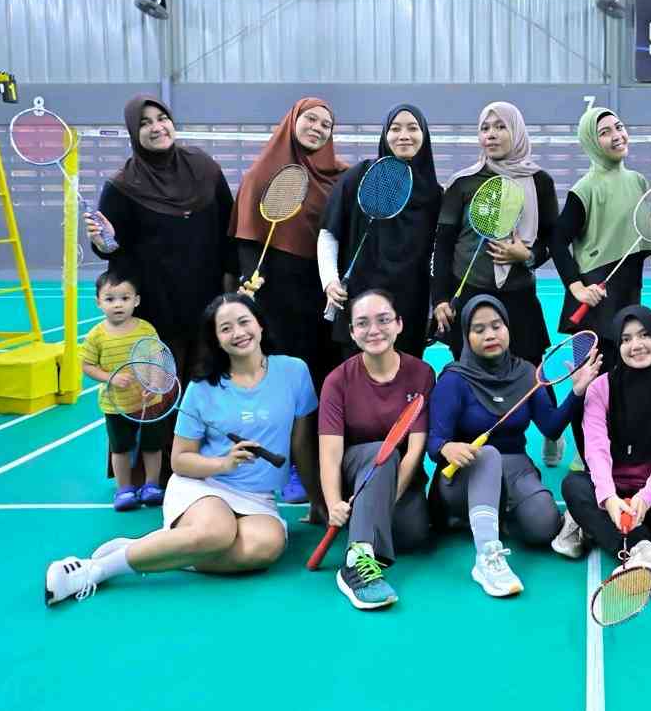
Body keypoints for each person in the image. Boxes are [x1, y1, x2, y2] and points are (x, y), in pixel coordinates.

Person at [44, 294, 319, 606]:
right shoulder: (203, 388)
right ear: (216, 340)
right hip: (205, 483)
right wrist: (224, 464)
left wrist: (318, 500)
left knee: (265, 548)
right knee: (217, 533)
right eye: (225, 328)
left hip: (258, 496)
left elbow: (301, 444)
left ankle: (160, 549)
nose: (238, 332)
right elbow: (180, 460)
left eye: (244, 322)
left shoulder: (294, 372)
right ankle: (96, 570)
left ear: (259, 324)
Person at [87, 95, 237, 481]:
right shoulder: (122, 186)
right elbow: (111, 248)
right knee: (156, 393)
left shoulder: (205, 169)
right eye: (145, 123)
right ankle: (156, 475)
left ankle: (208, 462)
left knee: (208, 385)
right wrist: (104, 242)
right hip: (155, 309)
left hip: (207, 303)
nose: (157, 127)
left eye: (162, 118)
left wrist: (231, 288)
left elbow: (229, 229)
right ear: (133, 132)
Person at [426, 296, 600, 598]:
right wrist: (447, 447)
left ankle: (495, 517)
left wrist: (576, 392)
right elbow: (434, 440)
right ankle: (487, 557)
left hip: (514, 468)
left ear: (508, 328)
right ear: (466, 336)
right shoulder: (454, 380)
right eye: (479, 329)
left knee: (544, 527)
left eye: (497, 326)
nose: (490, 335)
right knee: (488, 455)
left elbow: (551, 427)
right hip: (463, 476)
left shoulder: (527, 373)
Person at [231, 97, 347, 507]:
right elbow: (246, 238)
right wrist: (250, 279)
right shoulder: (262, 173)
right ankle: (292, 464)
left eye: (326, 124)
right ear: (292, 121)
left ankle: (322, 462)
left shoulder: (340, 177)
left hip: (325, 294)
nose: (317, 128)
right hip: (276, 295)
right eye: (310, 119)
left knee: (323, 377)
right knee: (285, 381)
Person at [553, 306, 651, 586]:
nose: (636, 345)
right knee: (573, 486)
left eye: (644, 335)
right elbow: (596, 449)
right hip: (614, 490)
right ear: (617, 345)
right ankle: (641, 550)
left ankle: (590, 524)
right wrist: (609, 498)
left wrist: (645, 497)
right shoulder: (600, 387)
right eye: (626, 339)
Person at [317, 289, 436, 610]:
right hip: (354, 474)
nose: (374, 330)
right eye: (363, 323)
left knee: (413, 534)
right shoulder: (337, 380)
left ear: (399, 324)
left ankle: (366, 526)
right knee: (380, 451)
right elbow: (330, 454)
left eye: (383, 320)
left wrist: (383, 501)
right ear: (352, 332)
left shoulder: (421, 374)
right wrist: (334, 503)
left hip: (399, 480)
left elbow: (415, 450)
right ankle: (356, 563)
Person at [551, 104, 649, 465]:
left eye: (618, 127)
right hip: (593, 298)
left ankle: (619, 454)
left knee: (625, 384)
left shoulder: (638, 182)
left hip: (628, 292)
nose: (616, 136)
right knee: (589, 383)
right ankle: (585, 454)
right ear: (592, 142)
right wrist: (576, 287)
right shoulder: (585, 188)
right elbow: (557, 241)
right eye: (604, 132)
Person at [431, 101, 558, 362]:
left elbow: (552, 240)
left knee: (528, 376)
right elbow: (443, 245)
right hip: (468, 293)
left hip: (520, 296)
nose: (491, 134)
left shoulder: (540, 181)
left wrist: (527, 256)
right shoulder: (462, 182)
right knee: (471, 378)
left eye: (501, 127)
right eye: (485, 128)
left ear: (516, 131)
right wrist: (441, 298)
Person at [320, 104, 442, 361]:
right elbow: (329, 232)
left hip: (410, 304)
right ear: (385, 135)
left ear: (424, 135)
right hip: (360, 299)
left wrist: (434, 304)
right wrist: (330, 280)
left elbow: (438, 255)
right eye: (395, 129)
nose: (404, 136)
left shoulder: (435, 194)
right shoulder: (360, 176)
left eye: (412, 128)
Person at [80, 267, 163, 511]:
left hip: (149, 402)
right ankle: (124, 489)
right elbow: (87, 366)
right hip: (116, 405)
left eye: (125, 298)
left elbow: (157, 359)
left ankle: (151, 485)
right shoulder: (96, 336)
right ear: (98, 302)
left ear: (136, 301)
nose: (118, 304)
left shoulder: (146, 329)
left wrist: (154, 384)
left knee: (152, 446)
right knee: (120, 448)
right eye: (110, 299)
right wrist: (110, 378)